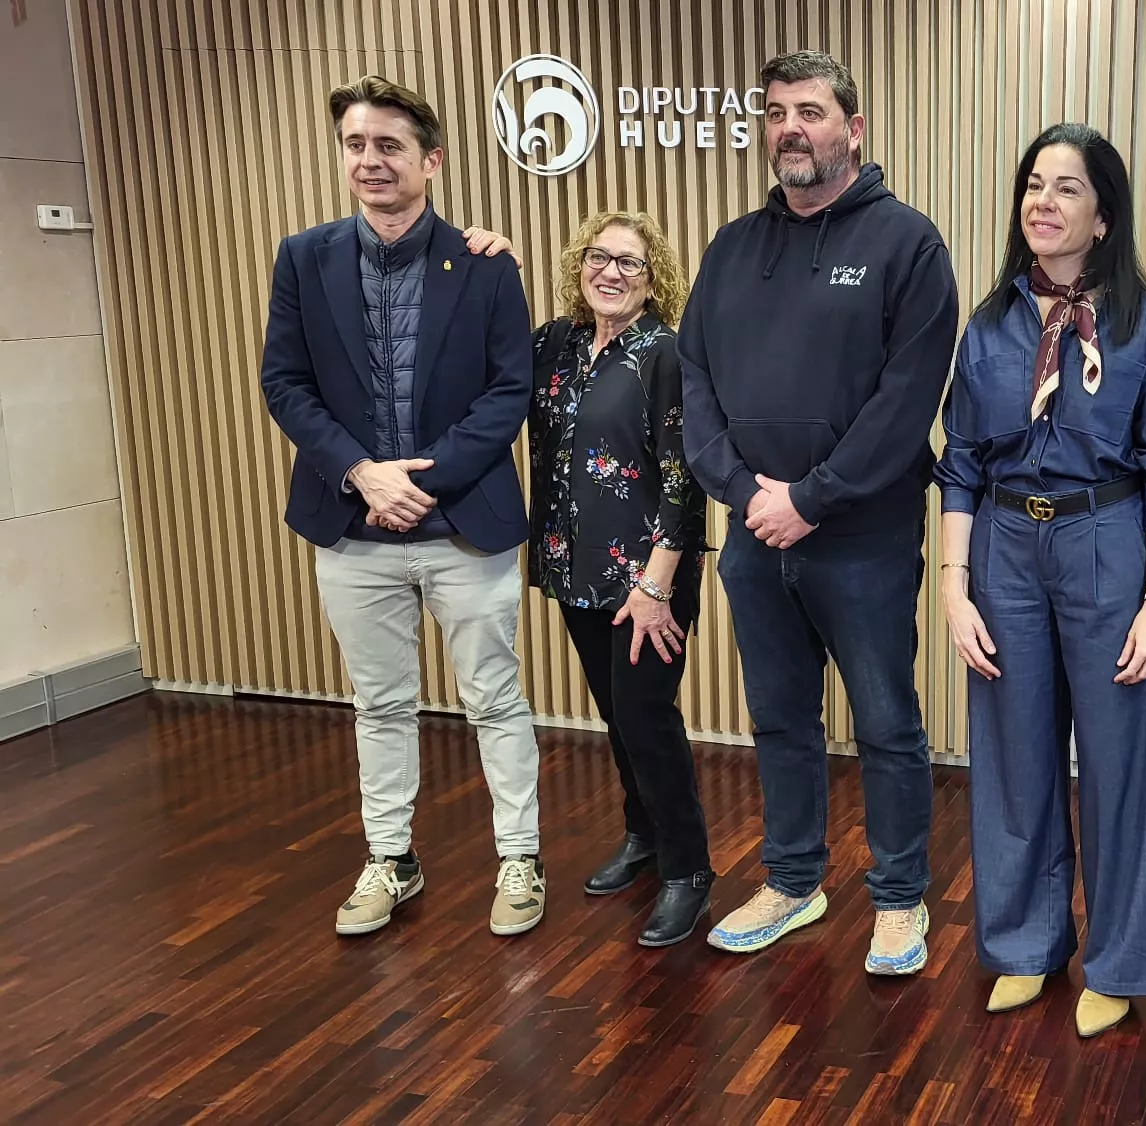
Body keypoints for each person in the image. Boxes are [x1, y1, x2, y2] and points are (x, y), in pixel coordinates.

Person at [678, 50, 959, 975]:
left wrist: (812, 498)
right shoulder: (729, 250)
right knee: (778, 719)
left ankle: (899, 899)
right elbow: (696, 386)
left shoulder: (907, 245)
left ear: (854, 127)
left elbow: (906, 400)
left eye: (810, 110)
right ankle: (795, 883)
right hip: (755, 536)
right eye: (775, 112)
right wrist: (748, 495)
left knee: (885, 723)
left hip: (863, 540)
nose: (790, 127)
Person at [934, 123, 1146, 1036]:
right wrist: (952, 585)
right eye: (1034, 186)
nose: (1043, 204)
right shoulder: (992, 322)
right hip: (1006, 547)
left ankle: (1122, 962)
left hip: (1107, 538)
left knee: (1121, 759)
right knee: (1014, 753)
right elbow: (962, 461)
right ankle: (1022, 945)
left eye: (1067, 189)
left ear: (1102, 216)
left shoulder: (1143, 325)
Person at [260, 75, 547, 939]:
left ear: (431, 160)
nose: (370, 160)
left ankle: (519, 859)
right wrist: (360, 473)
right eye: (356, 144)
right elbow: (285, 383)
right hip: (351, 527)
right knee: (379, 704)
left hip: (465, 526)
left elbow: (510, 390)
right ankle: (392, 857)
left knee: (494, 699)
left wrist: (423, 480)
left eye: (389, 145)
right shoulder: (302, 257)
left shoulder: (487, 264)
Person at [524, 211, 715, 947]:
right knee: (616, 714)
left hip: (647, 581)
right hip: (574, 566)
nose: (611, 271)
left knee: (647, 719)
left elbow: (685, 476)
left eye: (630, 263)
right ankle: (643, 836)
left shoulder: (664, 353)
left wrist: (659, 582)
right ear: (580, 264)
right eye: (599, 257)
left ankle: (689, 870)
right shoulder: (556, 345)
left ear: (652, 277)